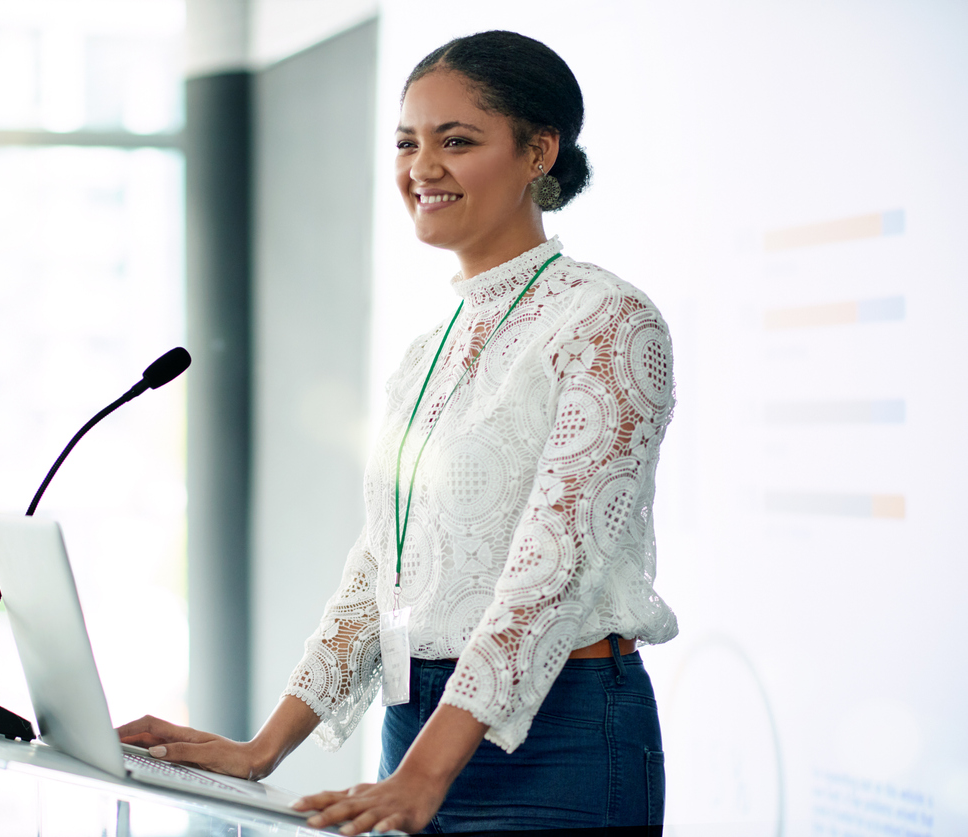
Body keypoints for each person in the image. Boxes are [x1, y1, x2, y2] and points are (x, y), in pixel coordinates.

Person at [118, 30, 677, 834]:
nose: (423, 167)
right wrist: (264, 746)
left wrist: (425, 775)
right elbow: (381, 566)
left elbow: (551, 572)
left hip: (562, 743)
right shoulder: (427, 352)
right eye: (408, 143)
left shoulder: (609, 320)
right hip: (413, 732)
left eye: (458, 141)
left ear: (538, 153)